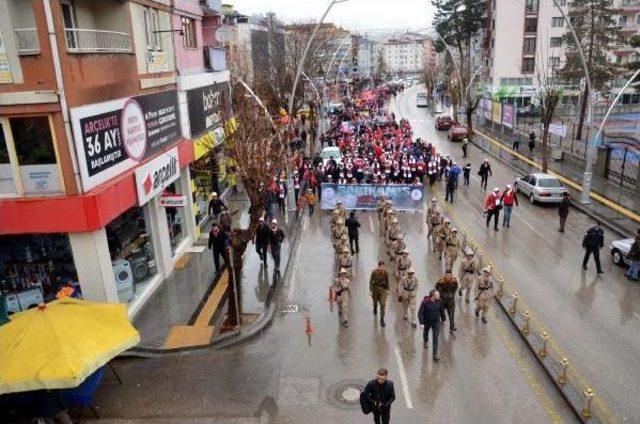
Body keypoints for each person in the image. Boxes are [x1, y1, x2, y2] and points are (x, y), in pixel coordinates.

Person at [418, 289, 442, 362]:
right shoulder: (425, 302)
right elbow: (420, 313)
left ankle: (435, 354)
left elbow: (441, 310)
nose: (439, 295)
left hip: (436, 322)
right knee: (426, 332)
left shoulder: (439, 301)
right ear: (433, 296)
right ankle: (425, 341)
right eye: (437, 295)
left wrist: (443, 317)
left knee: (436, 337)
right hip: (427, 321)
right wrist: (421, 323)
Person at [370, 261, 390, 327]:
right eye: (381, 267)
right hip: (375, 289)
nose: (382, 268)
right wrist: (370, 290)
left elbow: (388, 281)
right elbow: (371, 281)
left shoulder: (386, 273)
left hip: (383, 290)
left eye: (383, 266)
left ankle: (382, 319)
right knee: (375, 302)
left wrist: (388, 290)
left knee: (383, 304)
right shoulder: (374, 272)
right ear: (378, 266)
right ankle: (375, 307)